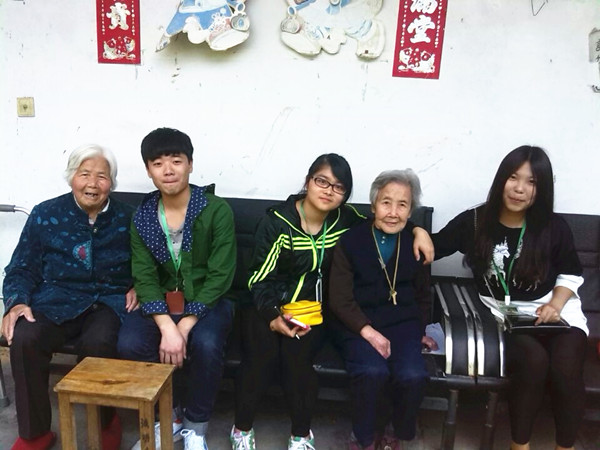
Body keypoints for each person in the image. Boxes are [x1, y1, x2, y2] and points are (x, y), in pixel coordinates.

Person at [230, 155, 434, 450]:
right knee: (262, 353)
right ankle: (242, 427)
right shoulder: (277, 223)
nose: (328, 191)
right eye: (322, 181)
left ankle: (300, 435)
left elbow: (387, 218)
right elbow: (258, 279)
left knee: (297, 355)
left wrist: (418, 230)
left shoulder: (345, 220)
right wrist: (274, 317)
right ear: (308, 182)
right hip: (265, 305)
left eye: (338, 187)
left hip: (312, 310)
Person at [433, 146, 588, 450]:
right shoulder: (476, 221)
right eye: (513, 177)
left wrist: (555, 305)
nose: (519, 189)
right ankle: (519, 445)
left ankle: (566, 447)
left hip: (556, 311)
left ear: (542, 189)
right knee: (534, 360)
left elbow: (571, 272)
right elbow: (435, 246)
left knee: (566, 366)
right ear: (501, 179)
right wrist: (415, 233)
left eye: (531, 182)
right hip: (504, 315)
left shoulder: (553, 226)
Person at [2, 145, 137, 450]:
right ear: (71, 177)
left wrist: (140, 285)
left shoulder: (128, 218)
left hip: (107, 300)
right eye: (84, 174)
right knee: (25, 338)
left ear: (112, 183)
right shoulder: (46, 214)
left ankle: (105, 422)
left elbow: (149, 262)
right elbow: (21, 267)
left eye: (102, 176)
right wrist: (17, 302)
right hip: (55, 299)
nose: (92, 183)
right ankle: (35, 434)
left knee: (99, 344)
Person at [117, 128, 236, 450]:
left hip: (209, 300)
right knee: (130, 343)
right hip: (161, 302)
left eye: (176, 161)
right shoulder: (143, 216)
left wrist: (184, 325)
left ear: (190, 164)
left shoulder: (215, 210)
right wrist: (167, 326)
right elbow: (143, 275)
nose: (168, 170)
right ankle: (166, 419)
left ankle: (195, 427)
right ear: (148, 170)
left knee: (207, 343)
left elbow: (221, 275)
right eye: (158, 163)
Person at [328, 169, 436, 450]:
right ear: (374, 205)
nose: (393, 212)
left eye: (402, 205)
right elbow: (339, 298)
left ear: (410, 211)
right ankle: (363, 437)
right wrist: (367, 331)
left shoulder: (415, 243)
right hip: (357, 324)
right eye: (386, 202)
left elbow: (423, 295)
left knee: (413, 375)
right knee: (372, 371)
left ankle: (395, 430)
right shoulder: (351, 241)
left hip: (403, 325)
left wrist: (420, 329)